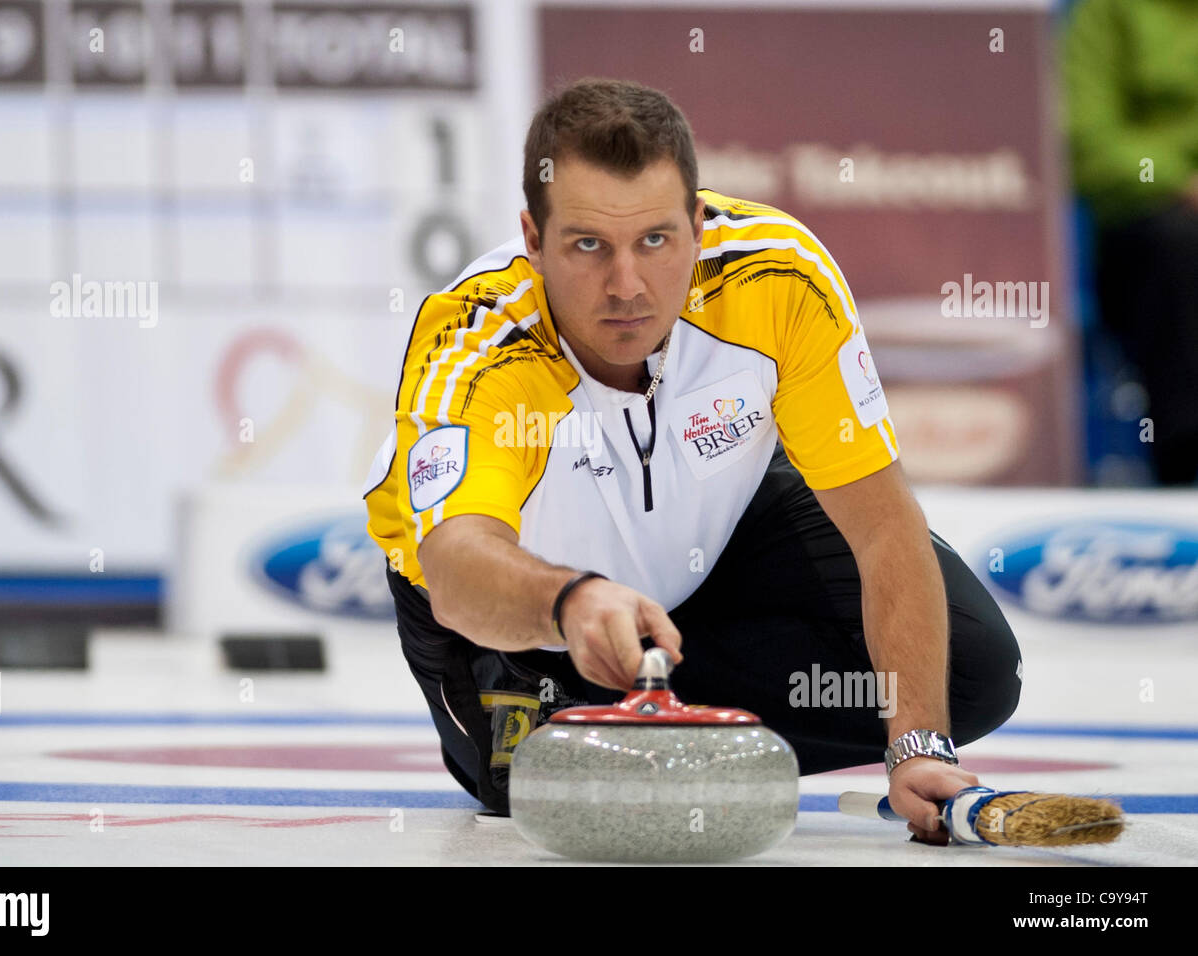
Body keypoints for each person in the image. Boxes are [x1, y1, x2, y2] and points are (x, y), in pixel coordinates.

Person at [363, 78, 1022, 844]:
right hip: (519, 622)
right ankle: (618, 715)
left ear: (699, 226)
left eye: (655, 240)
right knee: (569, 791)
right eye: (587, 245)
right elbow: (457, 568)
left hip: (712, 530)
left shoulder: (779, 277)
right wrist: (570, 602)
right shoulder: (475, 341)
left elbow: (882, 525)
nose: (627, 286)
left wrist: (916, 747)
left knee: (965, 674)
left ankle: (657, 715)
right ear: (532, 241)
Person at [1063, 0, 1198, 485]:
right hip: (1152, 230)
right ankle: (1185, 470)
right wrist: (1181, 181)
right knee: (1181, 244)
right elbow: (1085, 139)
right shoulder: (1110, 11)